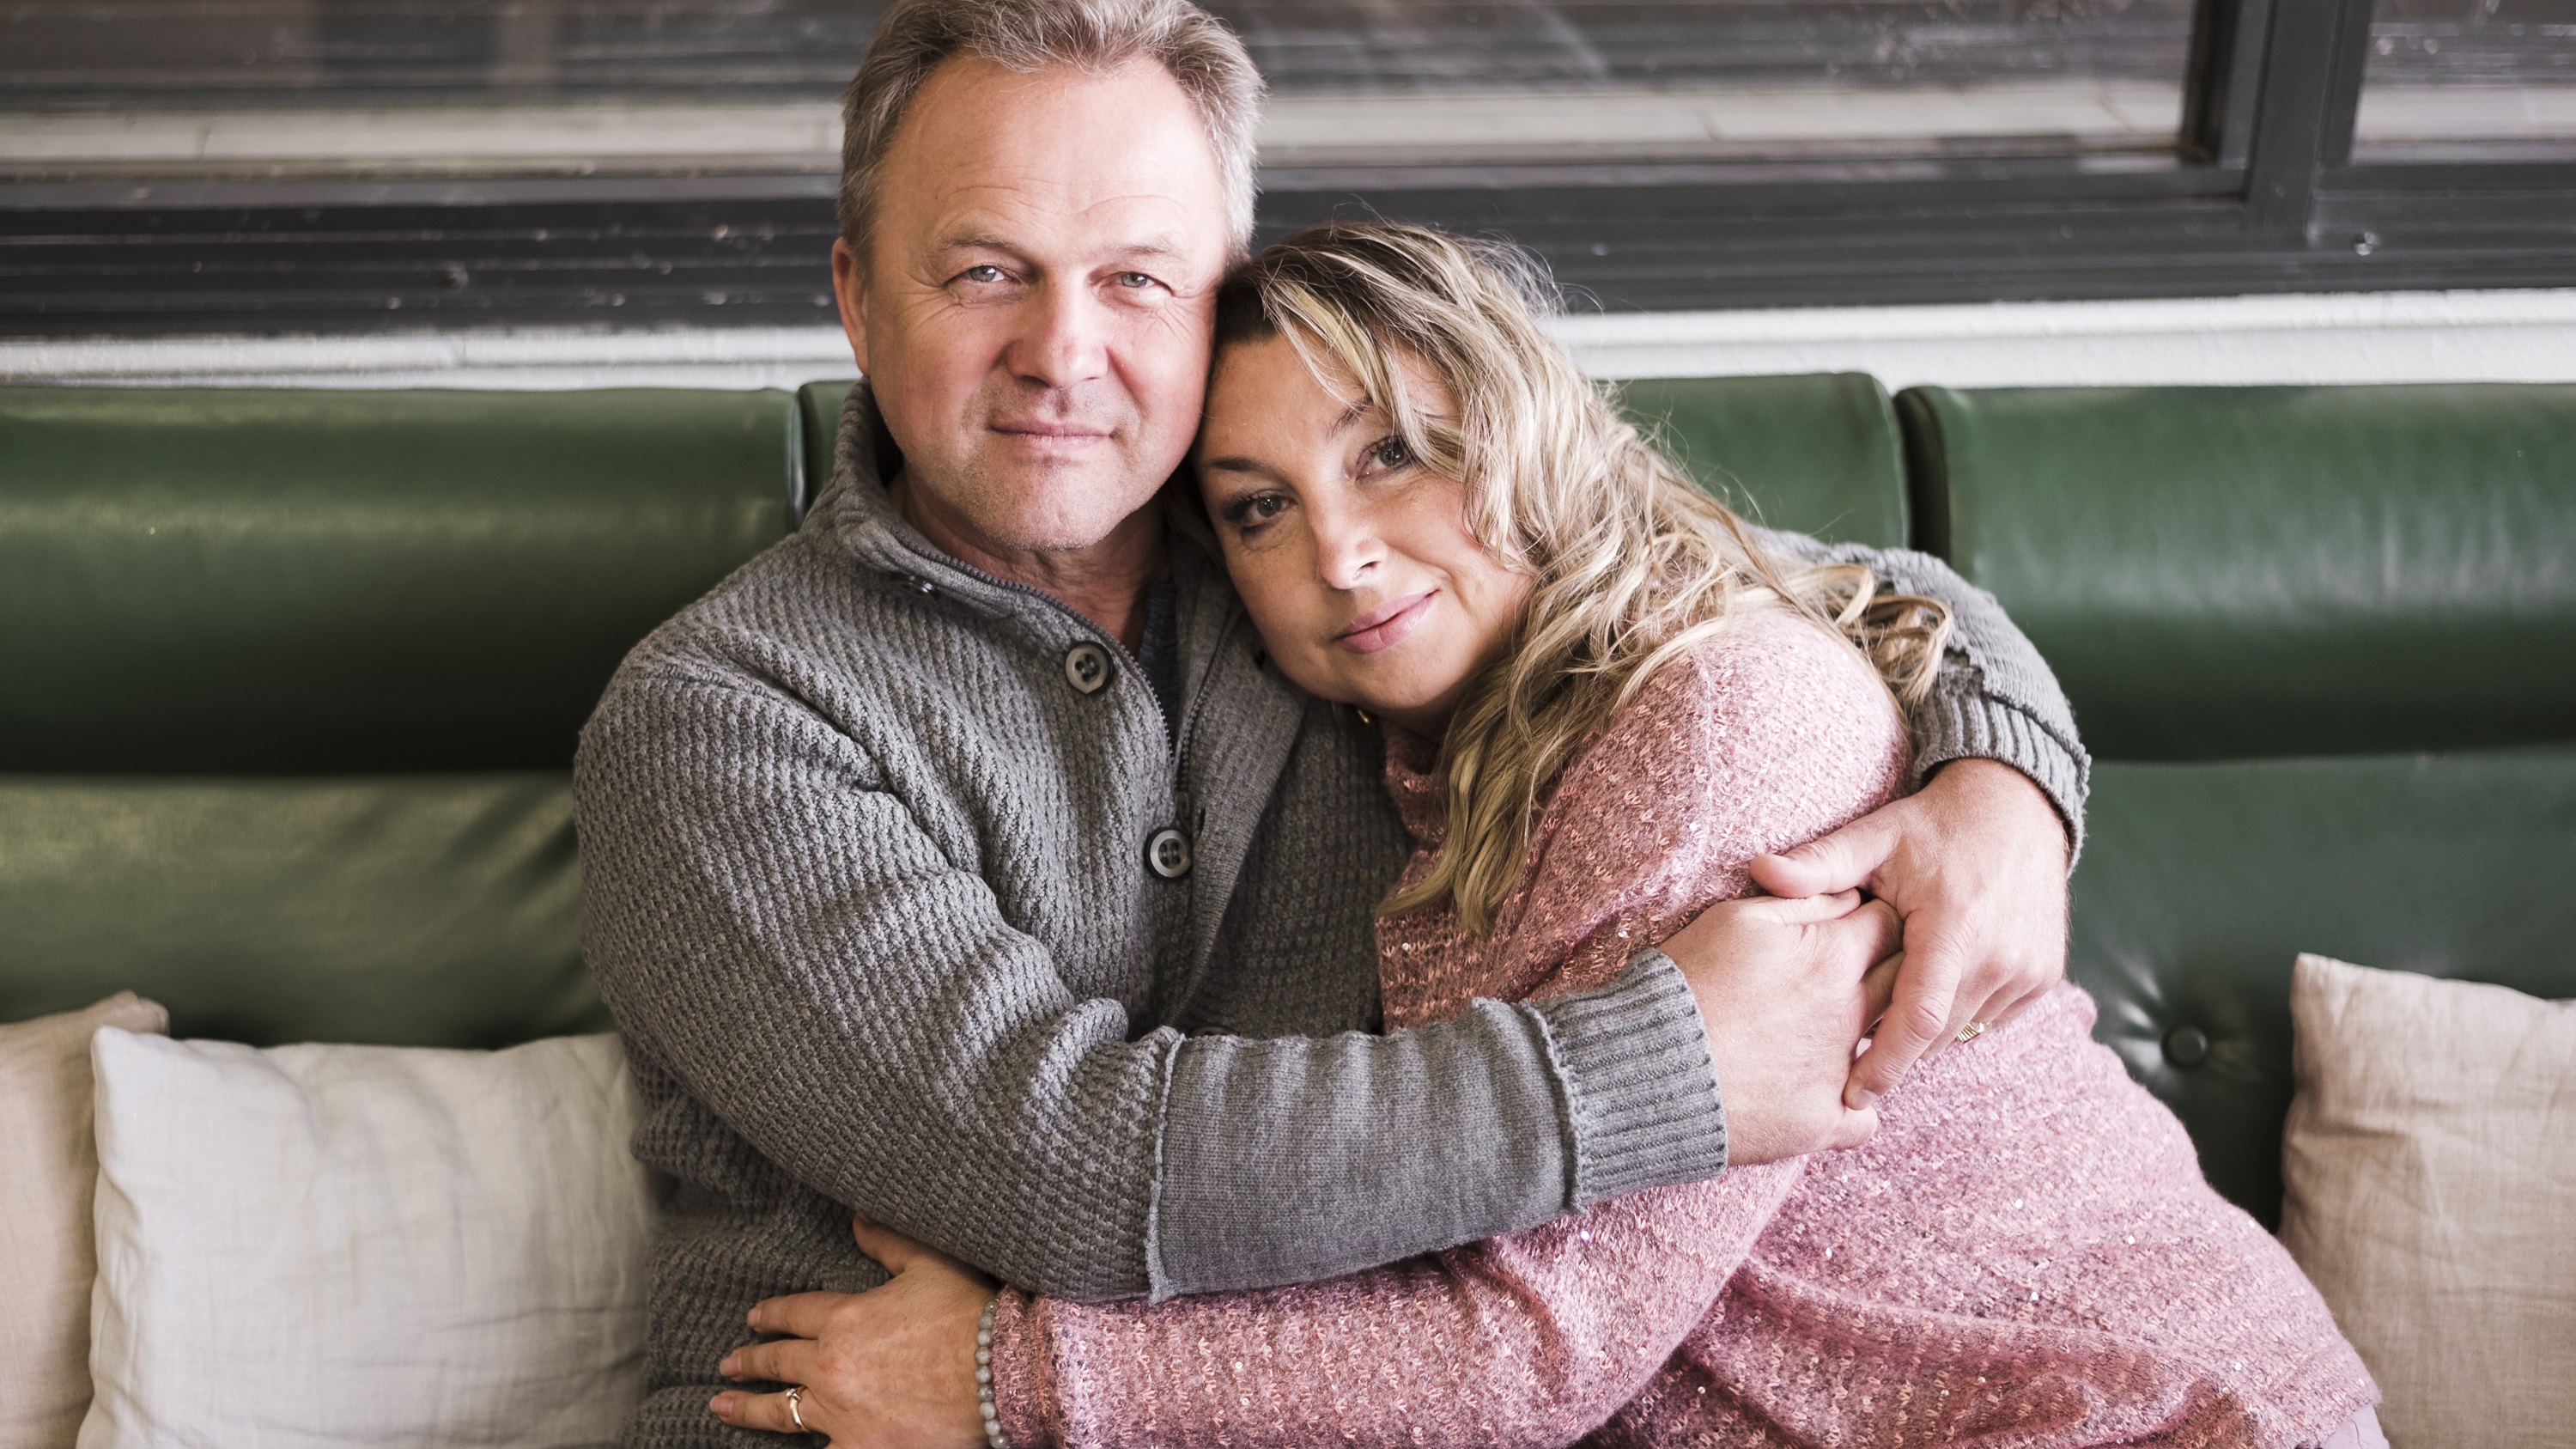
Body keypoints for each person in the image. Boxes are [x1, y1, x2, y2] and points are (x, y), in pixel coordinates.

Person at [572, 2, 2087, 1444]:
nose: (1061, 351)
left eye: (1137, 281)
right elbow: (1068, 1168)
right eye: (982, 272)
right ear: (854, 295)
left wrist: (2003, 780)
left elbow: (1824, 588)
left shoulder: (1319, 556)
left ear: (1219, 295)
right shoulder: (721, 719)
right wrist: (1666, 1069)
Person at [714, 223, 2381, 1449]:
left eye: (1399, 453)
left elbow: (1536, 1339)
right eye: (1259, 509)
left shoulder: (1709, 718)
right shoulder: (1415, 709)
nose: (1344, 555)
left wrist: (1013, 1381)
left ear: (1526, 429)